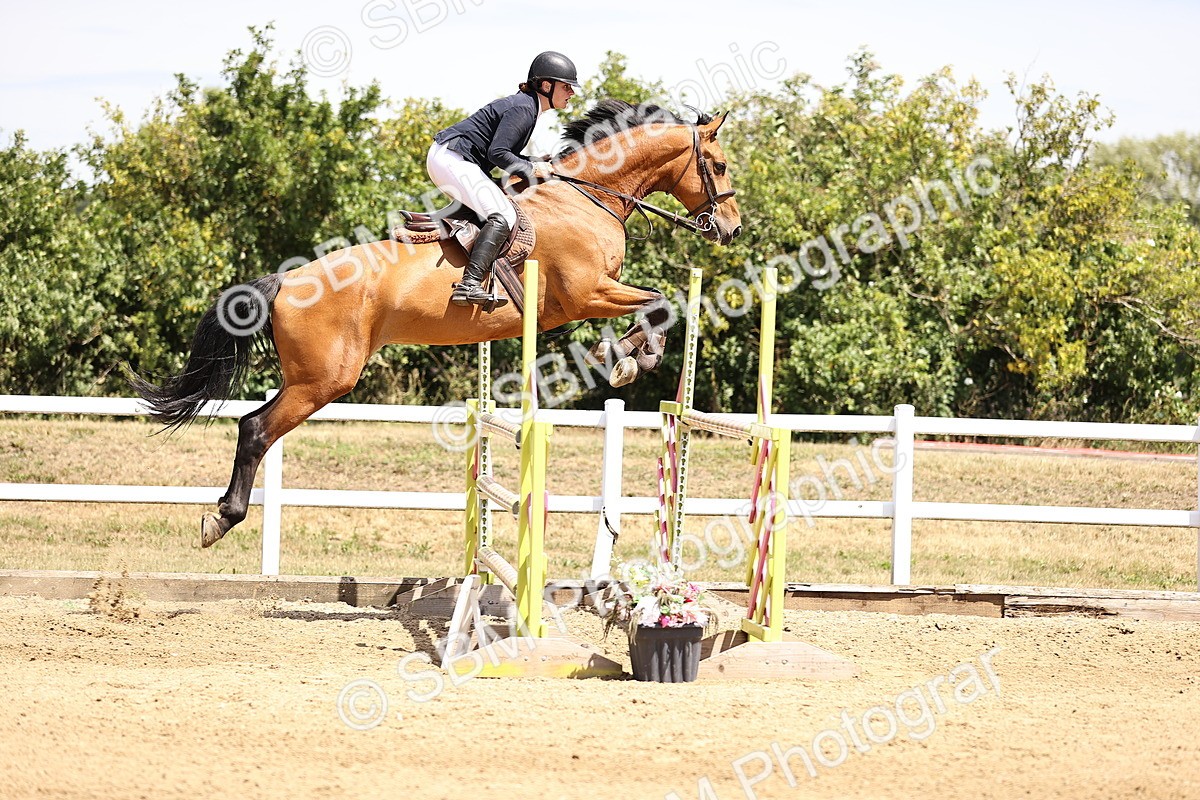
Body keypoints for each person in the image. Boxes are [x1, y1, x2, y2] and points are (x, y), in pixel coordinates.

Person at [427, 51, 580, 308]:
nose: (571, 93)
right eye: (566, 87)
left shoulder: (528, 106)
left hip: (453, 157)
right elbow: (498, 154)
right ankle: (469, 285)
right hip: (452, 158)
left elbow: (507, 152)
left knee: (497, 205)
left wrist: (535, 162)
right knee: (504, 215)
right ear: (546, 85)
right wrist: (532, 169)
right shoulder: (523, 108)